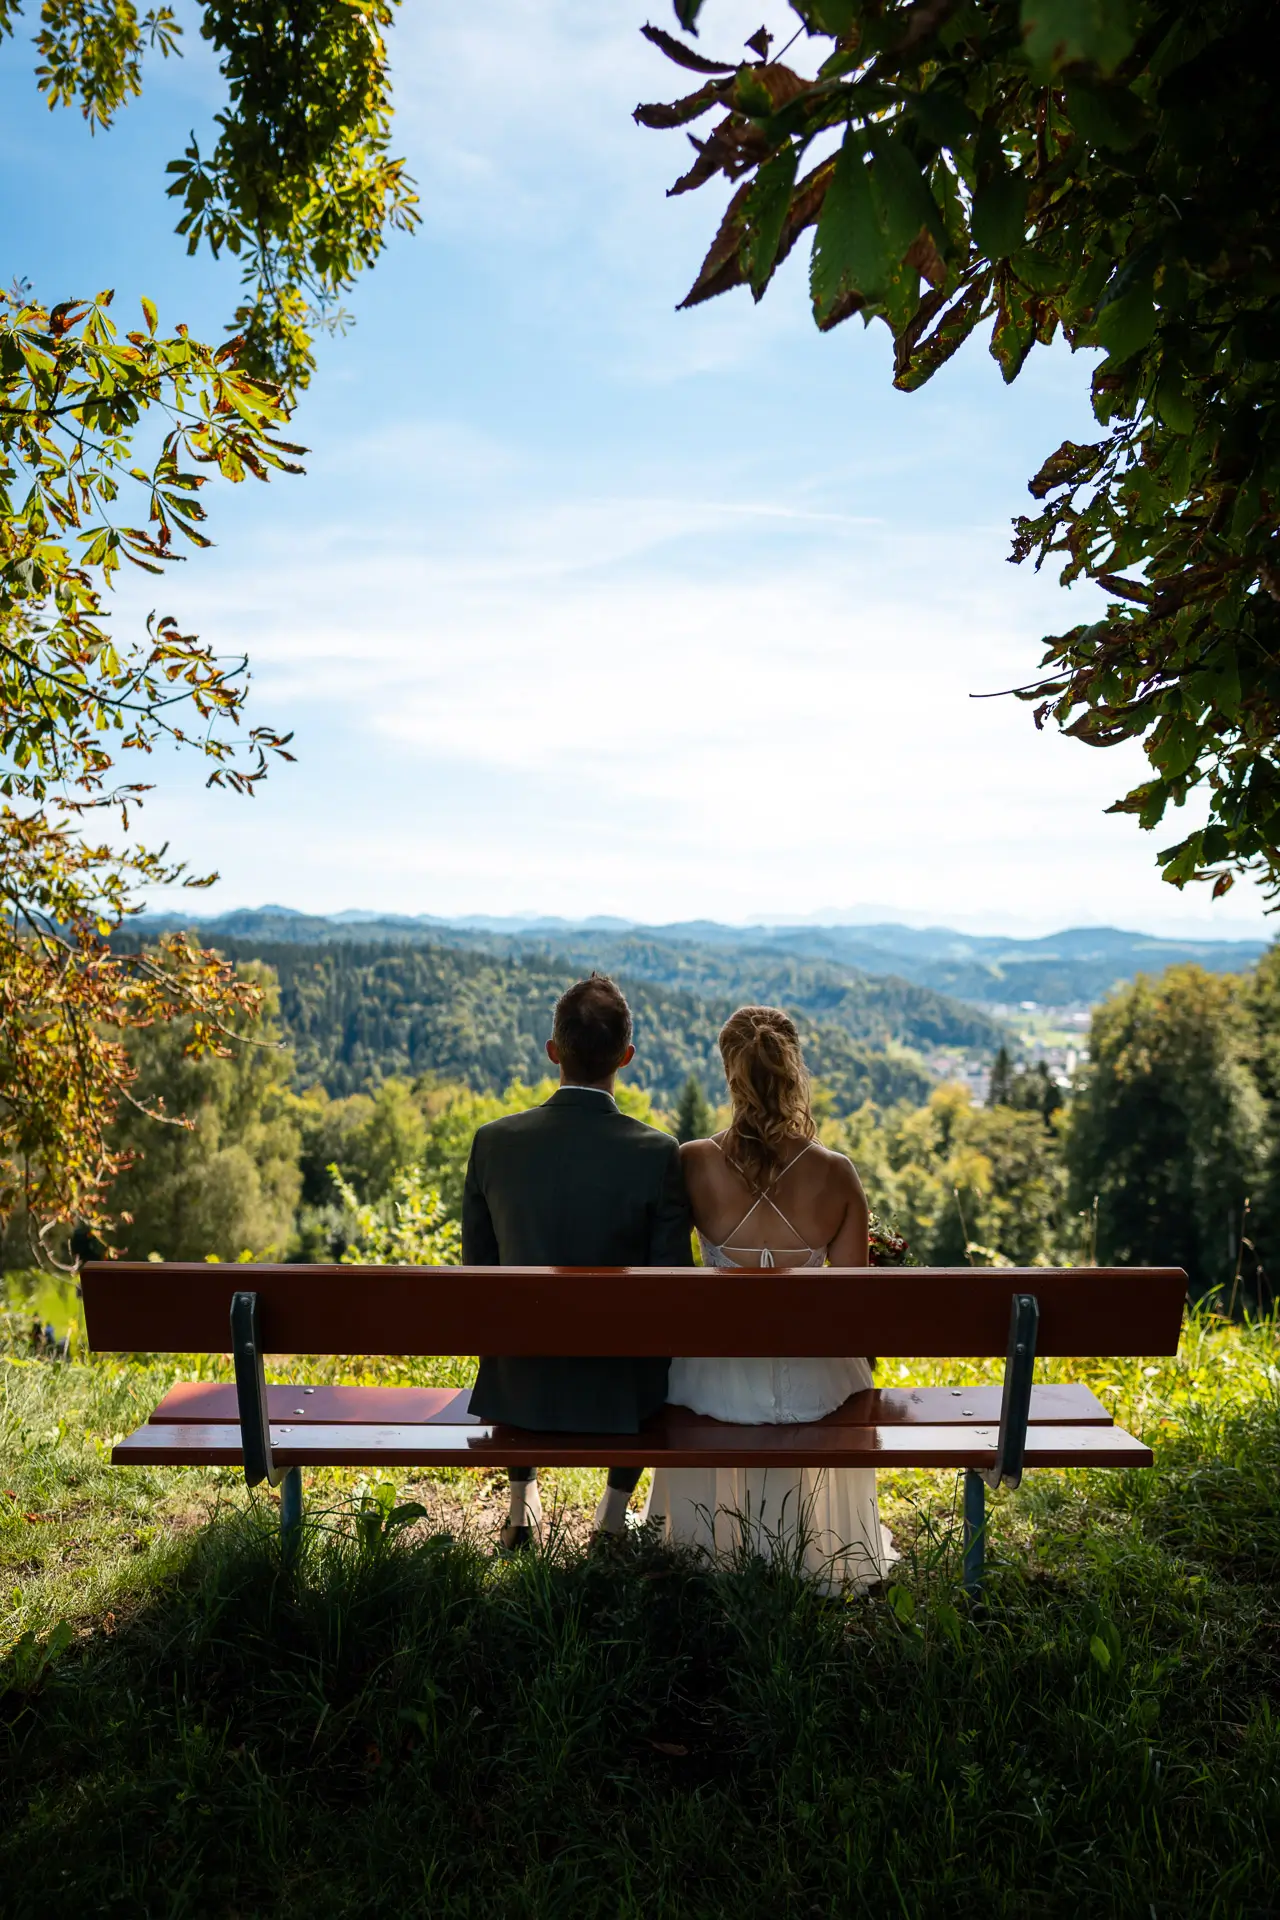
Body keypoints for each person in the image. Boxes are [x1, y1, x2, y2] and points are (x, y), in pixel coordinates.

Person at [646, 1005, 895, 1592]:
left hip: (712, 1385)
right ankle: (811, 1556)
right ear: (793, 1073)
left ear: (731, 1077)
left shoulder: (691, 1163)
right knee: (833, 1380)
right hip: (815, 1389)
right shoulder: (838, 1175)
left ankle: (708, 1556)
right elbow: (854, 1310)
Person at [463, 973, 693, 1550]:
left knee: (509, 1319)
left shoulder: (493, 1143)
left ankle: (521, 1509)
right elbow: (673, 1288)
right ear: (627, 1057)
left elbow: (477, 1272)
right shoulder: (658, 1153)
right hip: (622, 1394)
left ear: (552, 1053)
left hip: (517, 1385)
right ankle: (612, 1521)